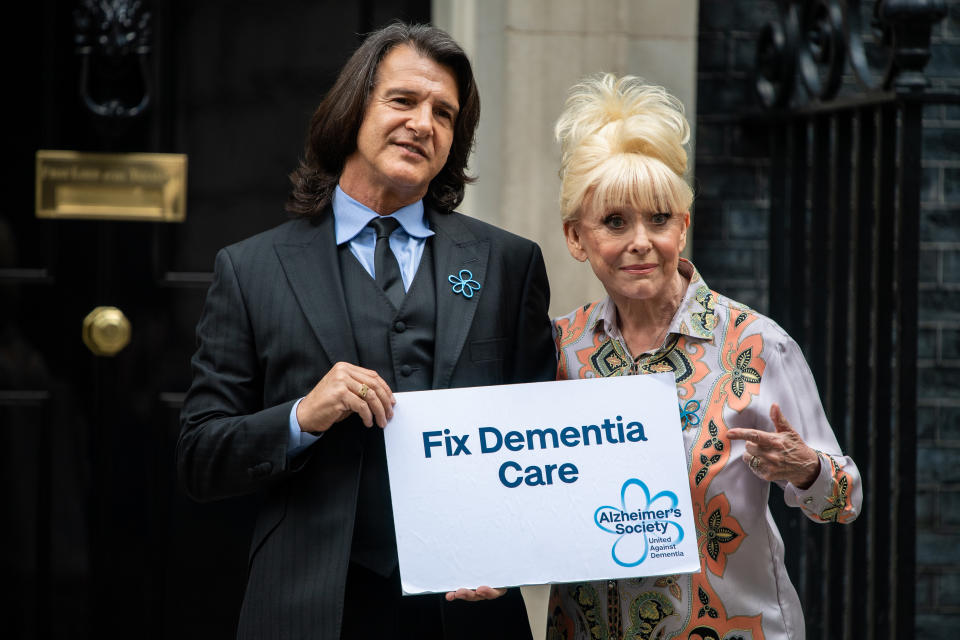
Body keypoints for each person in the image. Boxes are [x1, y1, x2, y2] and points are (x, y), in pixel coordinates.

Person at [177, 22, 555, 640]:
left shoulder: (509, 264)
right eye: (402, 100)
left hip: (466, 613)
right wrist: (302, 415)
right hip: (308, 608)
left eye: (444, 113)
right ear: (354, 108)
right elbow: (200, 457)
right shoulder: (250, 270)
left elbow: (542, 440)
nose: (423, 123)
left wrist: (514, 553)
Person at [546, 74, 862, 639]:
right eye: (615, 221)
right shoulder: (559, 350)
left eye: (660, 218)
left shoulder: (758, 344)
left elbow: (844, 500)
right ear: (576, 238)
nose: (641, 240)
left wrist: (807, 469)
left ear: (684, 227)